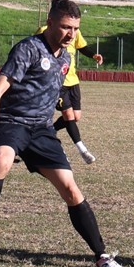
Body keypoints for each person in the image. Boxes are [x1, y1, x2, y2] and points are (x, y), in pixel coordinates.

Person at [0, 0, 123, 267]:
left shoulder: (66, 58)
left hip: (42, 130)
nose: (71, 34)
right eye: (66, 27)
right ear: (50, 22)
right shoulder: (28, 49)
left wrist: (66, 111)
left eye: (76, 29)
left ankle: (102, 255)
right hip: (12, 122)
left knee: (70, 189)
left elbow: (53, 93)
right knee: (2, 161)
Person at [44, 15, 103, 164]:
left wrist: (93, 55)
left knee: (76, 117)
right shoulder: (45, 31)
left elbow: (81, 46)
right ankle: (83, 150)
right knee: (68, 116)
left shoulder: (75, 32)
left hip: (73, 81)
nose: (71, 32)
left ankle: (48, 130)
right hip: (58, 82)